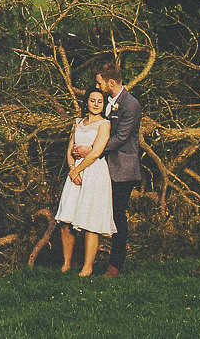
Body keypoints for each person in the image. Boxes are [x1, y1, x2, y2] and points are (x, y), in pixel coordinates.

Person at [53, 86, 115, 277]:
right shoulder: (78, 122)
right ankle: (66, 263)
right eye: (92, 100)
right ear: (86, 102)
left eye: (99, 101)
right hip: (75, 172)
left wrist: (78, 170)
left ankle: (87, 267)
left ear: (103, 105)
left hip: (93, 172)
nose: (96, 104)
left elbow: (96, 152)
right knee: (66, 218)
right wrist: (72, 169)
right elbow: (70, 148)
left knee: (90, 219)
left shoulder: (104, 124)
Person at [93, 62, 142, 275]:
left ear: (111, 82)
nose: (97, 85)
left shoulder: (131, 104)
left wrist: (94, 150)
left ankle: (116, 265)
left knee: (117, 215)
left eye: (99, 82)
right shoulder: (109, 101)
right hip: (106, 166)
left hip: (123, 168)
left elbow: (121, 137)